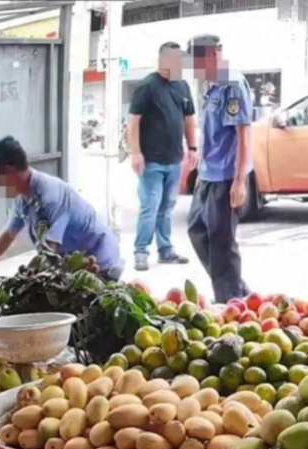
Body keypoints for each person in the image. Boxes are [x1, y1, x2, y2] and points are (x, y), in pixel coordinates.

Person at [0, 136, 122, 295]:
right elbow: (8, 234)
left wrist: (24, 283)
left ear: (10, 170)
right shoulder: (22, 199)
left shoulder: (49, 196)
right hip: (75, 267)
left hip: (99, 262)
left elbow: (49, 250)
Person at [185, 34, 252, 303]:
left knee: (222, 244)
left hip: (225, 177)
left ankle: (230, 302)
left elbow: (243, 134)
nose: (195, 70)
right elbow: (213, 131)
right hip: (207, 174)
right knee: (197, 231)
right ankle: (237, 290)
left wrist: (239, 180)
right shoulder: (211, 85)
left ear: (213, 55)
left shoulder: (232, 84)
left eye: (198, 62)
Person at [128, 41, 199, 271]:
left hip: (174, 160)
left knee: (167, 207)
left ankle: (166, 250)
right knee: (150, 206)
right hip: (151, 161)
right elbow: (134, 121)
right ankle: (141, 251)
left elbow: (189, 119)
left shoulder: (182, 86)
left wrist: (193, 147)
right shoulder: (147, 86)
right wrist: (136, 152)